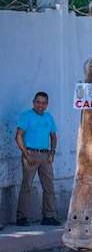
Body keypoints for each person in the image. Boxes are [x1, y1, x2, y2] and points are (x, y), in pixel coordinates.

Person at [15, 91, 59, 227]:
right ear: (33, 102)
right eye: (38, 102)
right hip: (30, 154)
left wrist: (52, 152)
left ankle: (48, 216)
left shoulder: (49, 117)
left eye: (44, 103)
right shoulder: (26, 116)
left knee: (49, 187)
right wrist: (26, 155)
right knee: (27, 186)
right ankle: (21, 218)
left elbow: (53, 136)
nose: (41, 105)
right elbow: (18, 136)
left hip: (45, 156)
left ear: (47, 104)